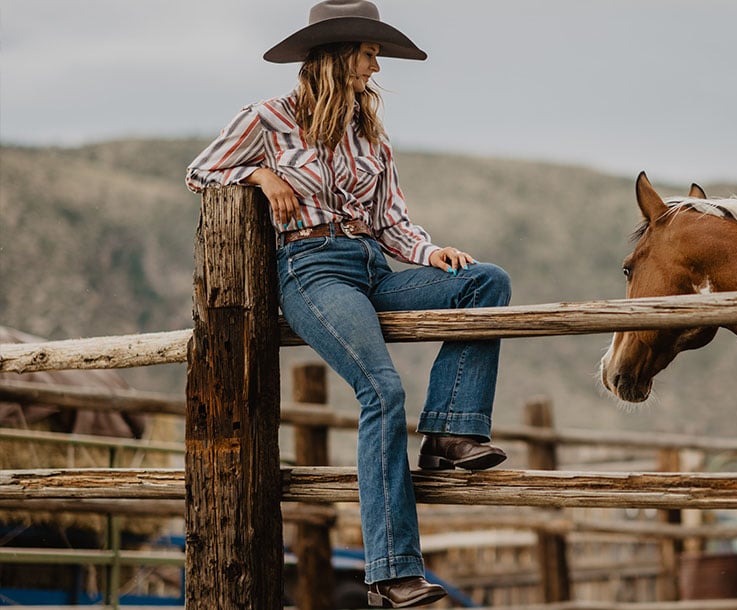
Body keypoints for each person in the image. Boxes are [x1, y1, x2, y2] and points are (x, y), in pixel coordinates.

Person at [185, 1, 511, 606]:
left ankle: (448, 433)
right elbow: (201, 173)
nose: (375, 66)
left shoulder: (370, 137)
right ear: (337, 54)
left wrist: (429, 251)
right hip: (310, 271)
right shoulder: (268, 118)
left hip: (373, 267)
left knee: (484, 281)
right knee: (382, 393)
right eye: (367, 53)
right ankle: (390, 574)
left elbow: (392, 221)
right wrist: (261, 177)